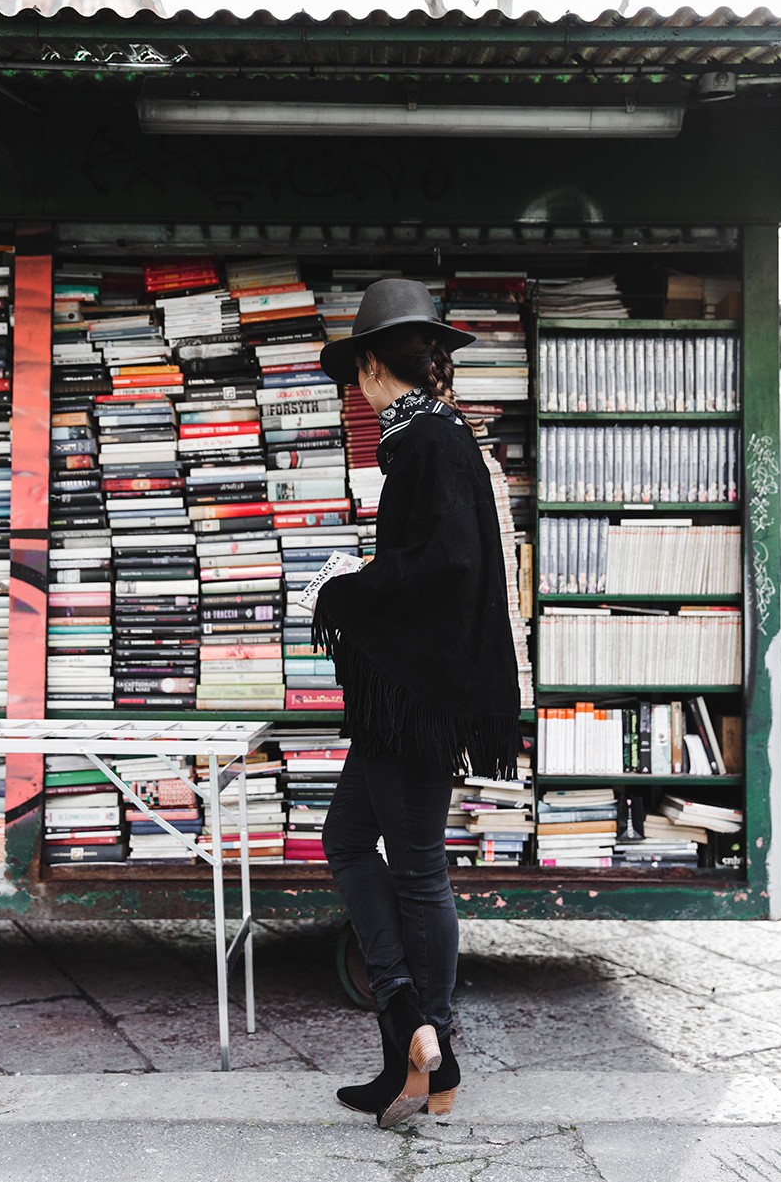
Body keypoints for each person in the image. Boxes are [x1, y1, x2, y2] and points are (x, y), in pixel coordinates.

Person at [314, 278, 522, 1129]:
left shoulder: (428, 440)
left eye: (352, 375)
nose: (354, 394)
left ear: (369, 364)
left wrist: (349, 587)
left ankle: (419, 1034)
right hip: (408, 694)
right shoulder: (429, 435)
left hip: (417, 694)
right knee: (349, 839)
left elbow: (447, 568)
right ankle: (414, 1038)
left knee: (418, 863)